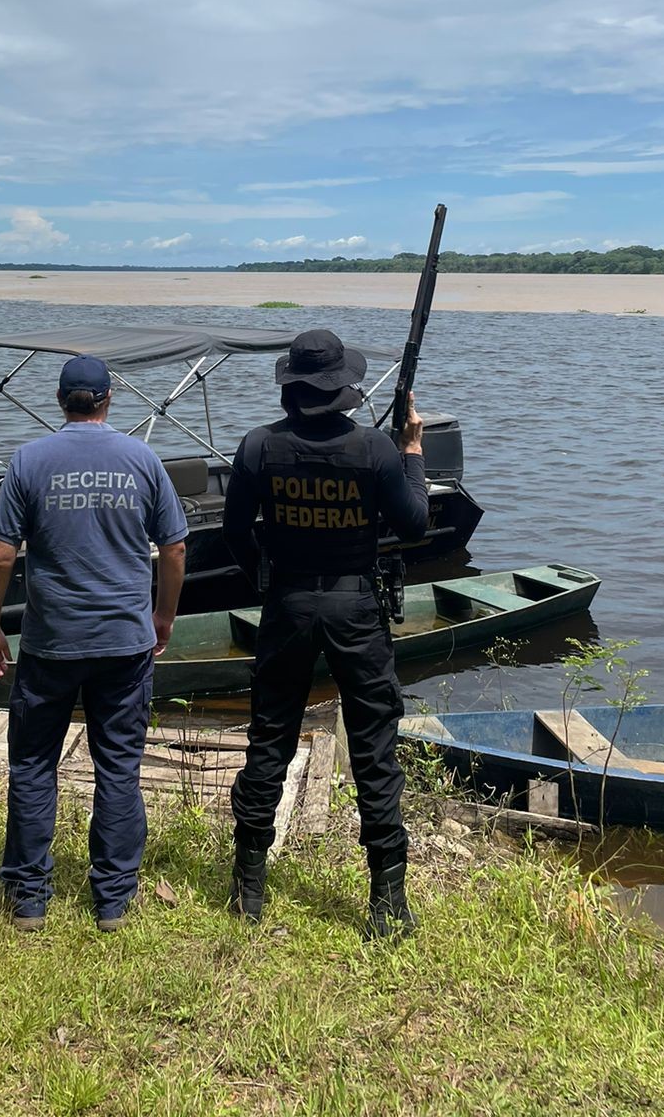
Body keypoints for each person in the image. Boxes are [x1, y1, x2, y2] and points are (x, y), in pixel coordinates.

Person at [223, 328, 430, 940]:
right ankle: (388, 901)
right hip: (355, 608)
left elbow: (236, 533)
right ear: (343, 389)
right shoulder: (376, 450)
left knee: (270, 739)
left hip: (287, 603)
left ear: (291, 387)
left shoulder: (258, 447)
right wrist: (412, 452)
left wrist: (264, 576)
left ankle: (247, 889)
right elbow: (414, 525)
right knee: (372, 748)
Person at [0, 354, 187, 932]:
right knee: (118, 766)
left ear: (61, 399)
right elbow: (173, 548)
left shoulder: (29, 459)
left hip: (50, 643)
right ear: (109, 399)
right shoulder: (142, 459)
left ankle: (28, 898)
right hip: (125, 641)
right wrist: (163, 616)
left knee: (33, 764)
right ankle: (113, 900)